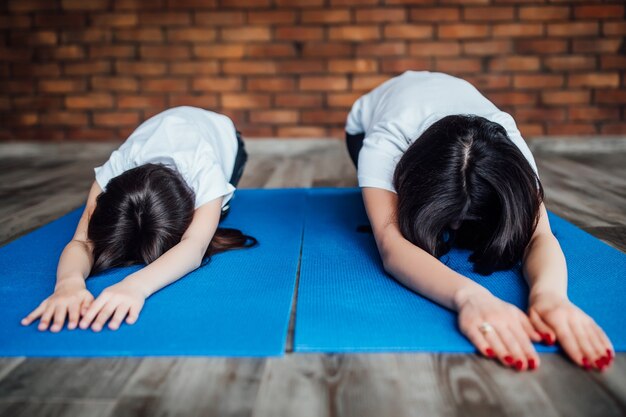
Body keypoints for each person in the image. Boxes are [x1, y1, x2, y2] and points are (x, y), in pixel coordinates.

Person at [345, 71, 613, 372]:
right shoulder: (386, 142)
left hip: (456, 117)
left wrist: (550, 296)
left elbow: (540, 236)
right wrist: (470, 297)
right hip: (363, 128)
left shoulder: (509, 143)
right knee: (400, 219)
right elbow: (391, 244)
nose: (456, 228)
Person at [21, 106, 256, 333]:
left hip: (223, 134)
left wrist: (135, 286)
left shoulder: (205, 171)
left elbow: (194, 246)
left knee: (220, 212)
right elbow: (83, 241)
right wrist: (68, 284)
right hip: (161, 133)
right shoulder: (115, 169)